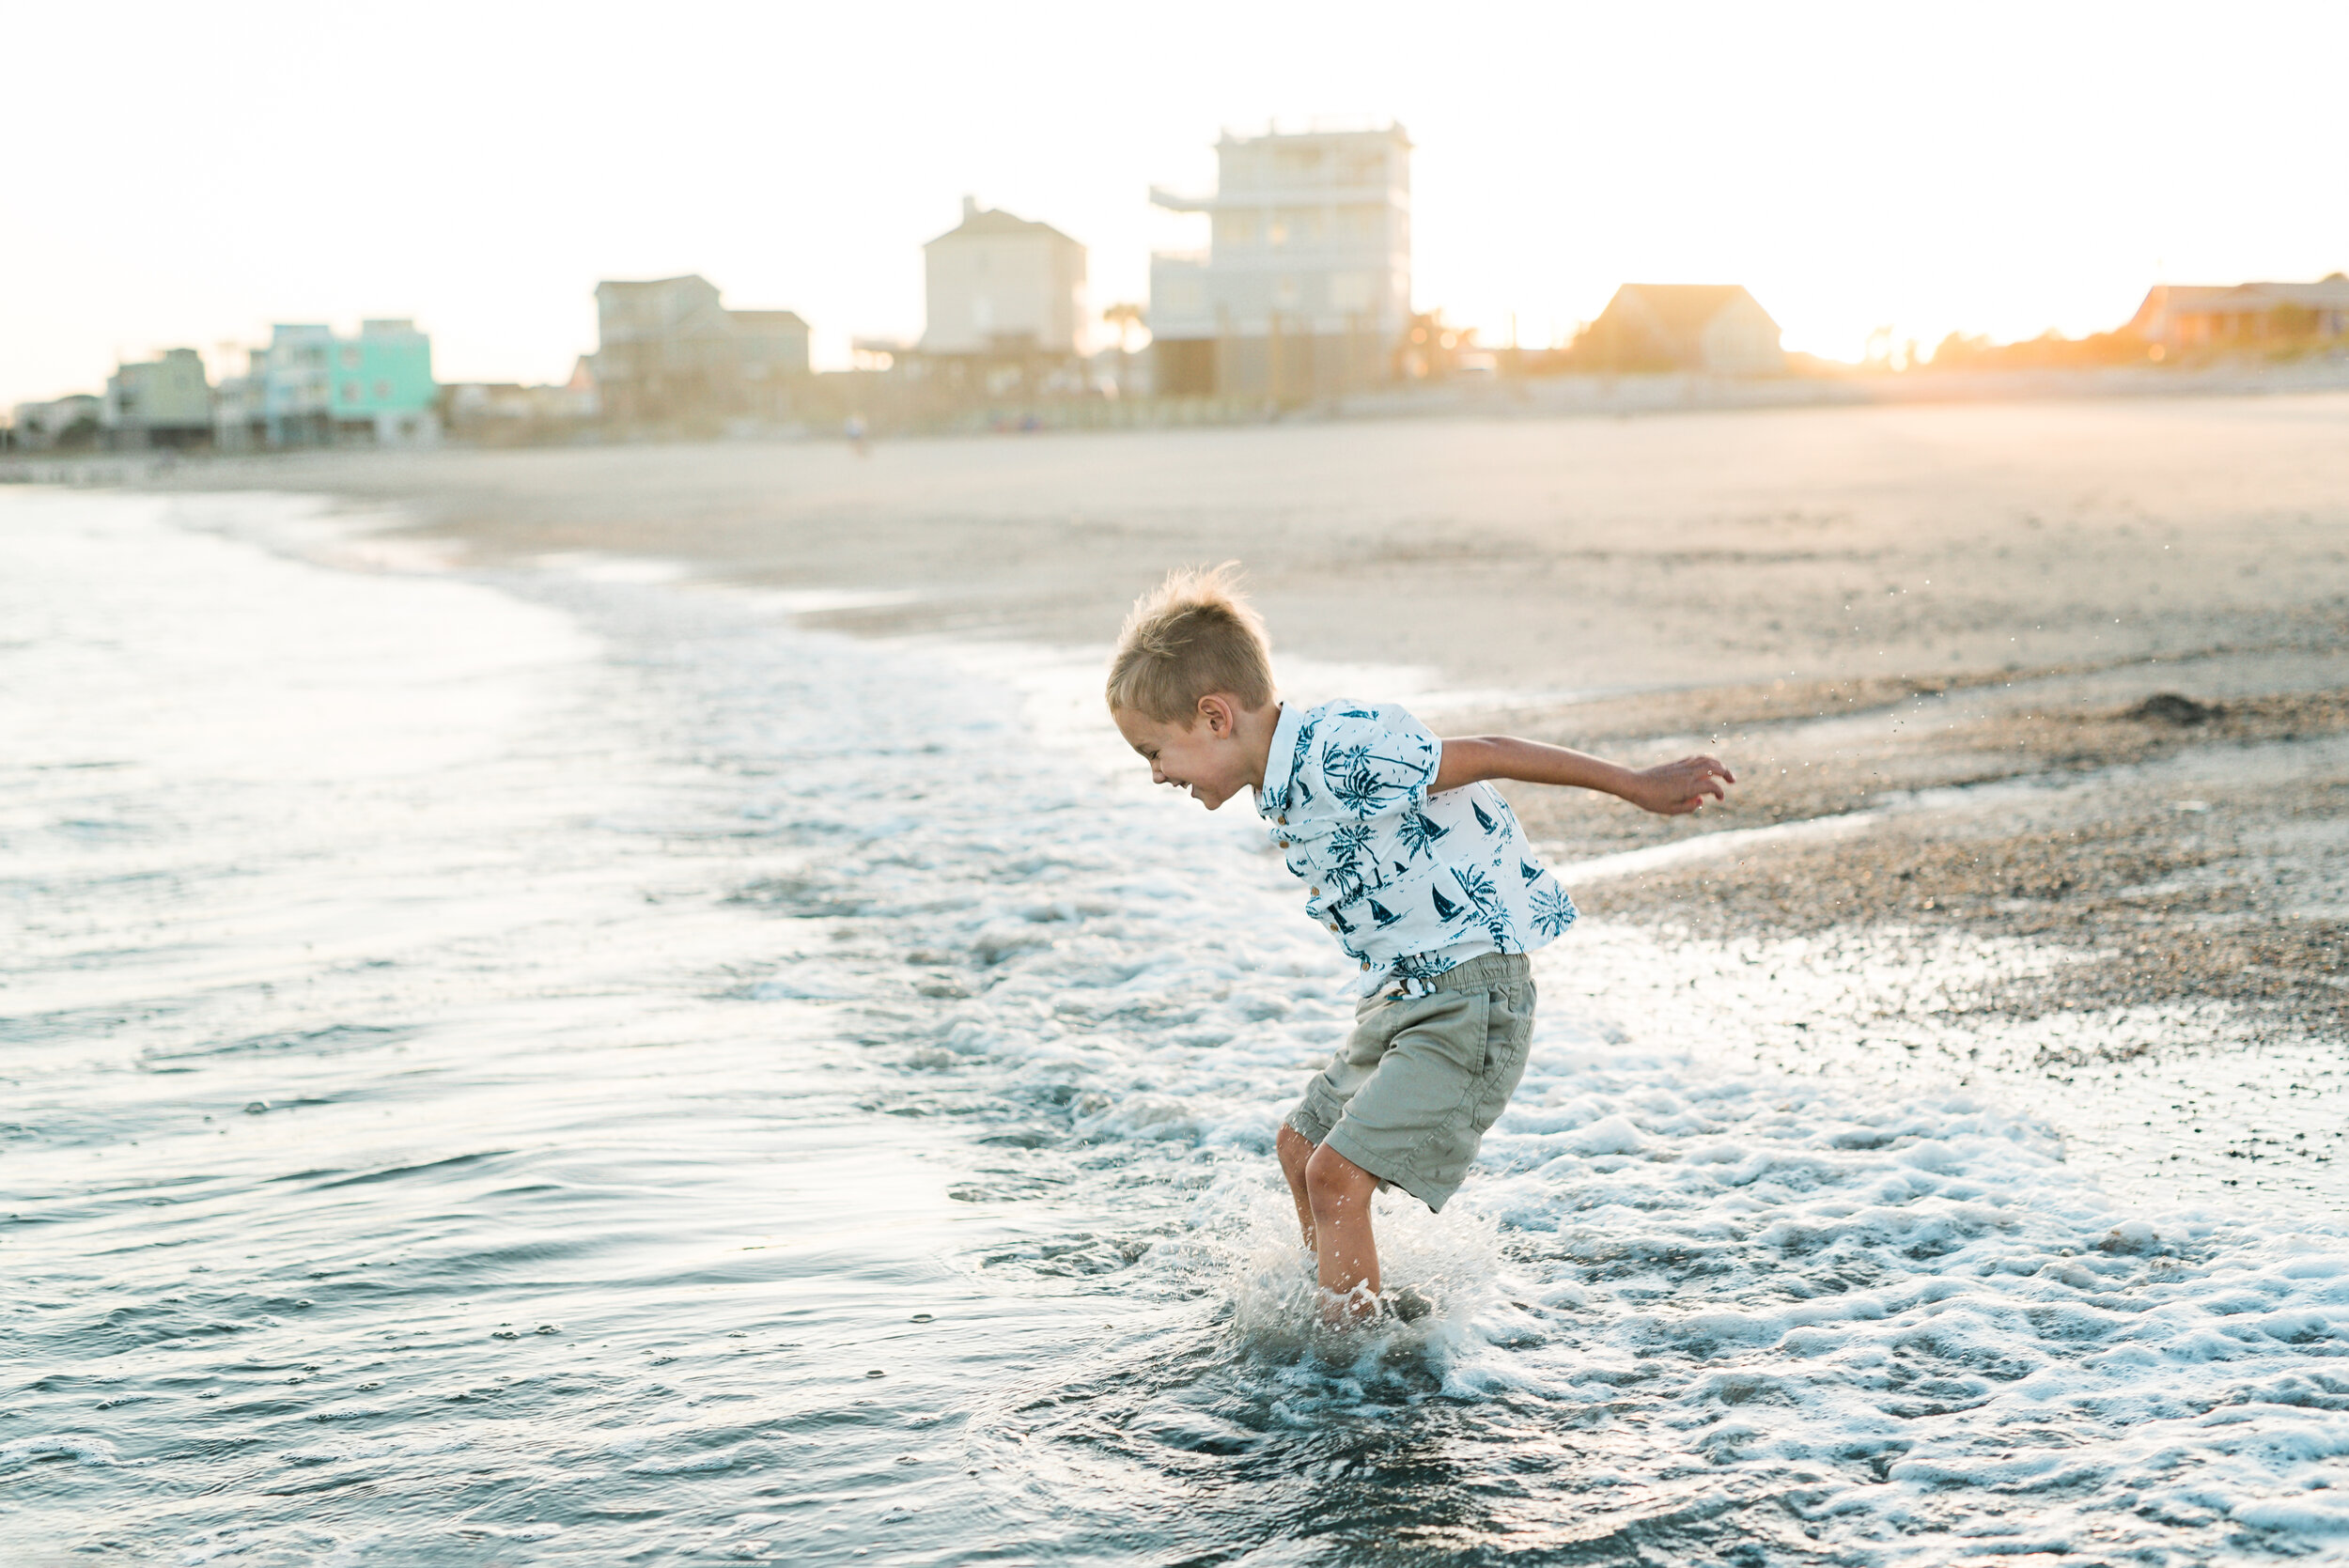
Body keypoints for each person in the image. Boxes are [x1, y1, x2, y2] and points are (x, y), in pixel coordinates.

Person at [1106, 566, 1735, 1323]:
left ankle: (1352, 1368)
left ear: (1213, 717)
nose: (1154, 775)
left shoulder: (1341, 754)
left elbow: (1492, 750)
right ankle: (1341, 1309)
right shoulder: (1284, 776)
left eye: (1153, 752)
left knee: (1337, 1177)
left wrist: (1636, 783)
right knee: (1301, 1148)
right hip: (1405, 995)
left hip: (1472, 998)